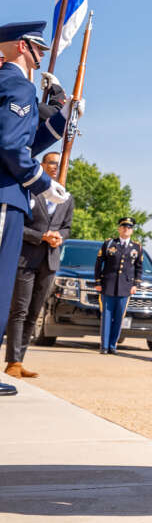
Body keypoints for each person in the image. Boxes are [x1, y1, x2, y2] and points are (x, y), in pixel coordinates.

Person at [0, 22, 72, 395]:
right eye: (37, 48)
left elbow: (31, 139)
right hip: (4, 194)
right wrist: (42, 183)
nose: (42, 55)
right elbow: (13, 148)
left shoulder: (19, 87)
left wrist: (61, 113)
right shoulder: (15, 84)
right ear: (19, 47)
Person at [5, 151, 73, 379]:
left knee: (34, 313)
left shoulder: (66, 197)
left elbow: (67, 227)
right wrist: (42, 235)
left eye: (59, 164)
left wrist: (58, 235)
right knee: (19, 311)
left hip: (50, 260)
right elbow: (17, 226)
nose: (56, 167)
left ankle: (20, 359)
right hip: (26, 259)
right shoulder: (30, 191)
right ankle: (12, 362)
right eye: (52, 163)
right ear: (42, 165)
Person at [94, 216, 143, 354]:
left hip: (125, 288)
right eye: (123, 227)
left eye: (129, 227)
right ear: (119, 229)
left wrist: (135, 285)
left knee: (119, 317)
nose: (126, 229)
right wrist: (98, 282)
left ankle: (112, 346)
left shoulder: (137, 247)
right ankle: (104, 346)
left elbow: (139, 268)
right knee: (107, 317)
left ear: (132, 231)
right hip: (108, 285)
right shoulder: (109, 244)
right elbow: (98, 263)